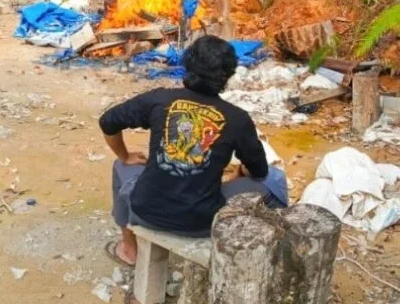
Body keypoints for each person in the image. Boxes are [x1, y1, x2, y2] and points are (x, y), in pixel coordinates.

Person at [99, 35, 288, 266]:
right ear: (227, 75)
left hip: (145, 211)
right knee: (275, 178)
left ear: (187, 64)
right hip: (202, 222)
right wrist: (239, 172)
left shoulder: (159, 99)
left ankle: (130, 250)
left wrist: (125, 156)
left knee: (121, 166)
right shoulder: (237, 119)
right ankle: (269, 255)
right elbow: (259, 172)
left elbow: (107, 122)